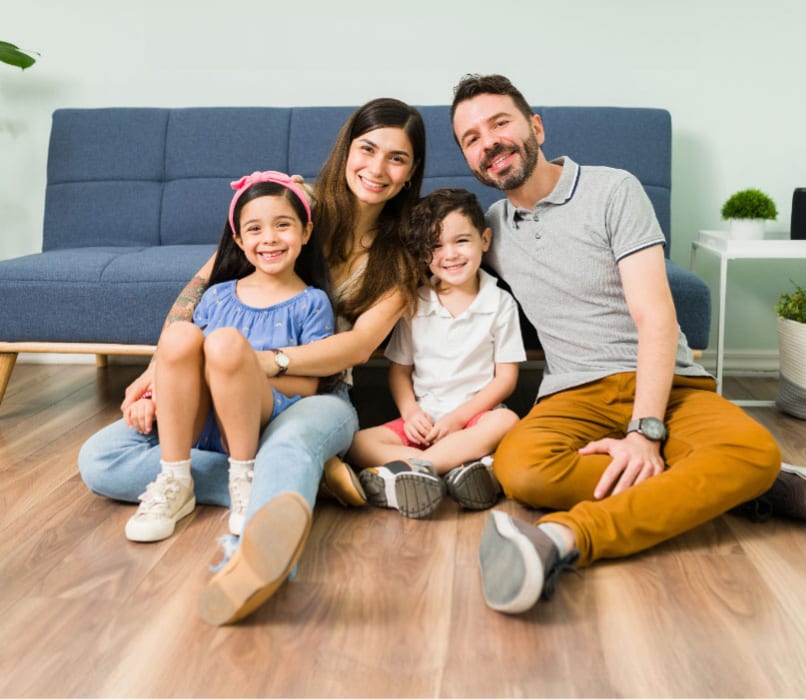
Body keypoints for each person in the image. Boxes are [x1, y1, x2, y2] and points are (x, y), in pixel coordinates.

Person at [449, 74, 806, 614]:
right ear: (470, 160)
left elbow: (656, 317)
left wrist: (644, 432)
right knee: (521, 468)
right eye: (471, 138)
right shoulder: (490, 228)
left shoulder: (612, 189)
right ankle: (732, 488)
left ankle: (565, 538)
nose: (488, 142)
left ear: (535, 126)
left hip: (667, 385)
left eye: (500, 123)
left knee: (755, 449)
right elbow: (424, 250)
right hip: (572, 396)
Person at [78, 98, 430, 625]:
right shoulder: (292, 203)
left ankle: (255, 564)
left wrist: (261, 363)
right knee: (102, 459)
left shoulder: (403, 252)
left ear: (410, 174)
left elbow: (357, 346)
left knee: (288, 445)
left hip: (317, 394)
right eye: (368, 149)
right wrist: (159, 373)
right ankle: (297, 480)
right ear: (346, 150)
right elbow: (202, 290)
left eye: (397, 159)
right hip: (221, 385)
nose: (377, 169)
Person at [122, 172, 334, 544]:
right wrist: (153, 397)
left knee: (224, 345)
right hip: (200, 418)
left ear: (306, 231)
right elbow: (182, 363)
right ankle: (175, 478)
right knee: (181, 335)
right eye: (254, 229)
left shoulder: (312, 302)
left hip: (261, 414)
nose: (269, 238)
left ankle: (244, 475)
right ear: (237, 240)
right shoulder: (218, 295)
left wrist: (240, 373)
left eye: (283, 225)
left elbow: (308, 383)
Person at [345, 188, 523, 517]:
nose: (449, 255)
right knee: (356, 443)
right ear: (423, 253)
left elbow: (506, 378)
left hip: (474, 420)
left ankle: (417, 470)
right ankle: (458, 470)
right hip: (424, 423)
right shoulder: (416, 302)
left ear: (485, 240)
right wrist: (411, 413)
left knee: (507, 420)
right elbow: (399, 371)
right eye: (435, 246)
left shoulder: (499, 303)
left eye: (461, 241)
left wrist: (459, 418)